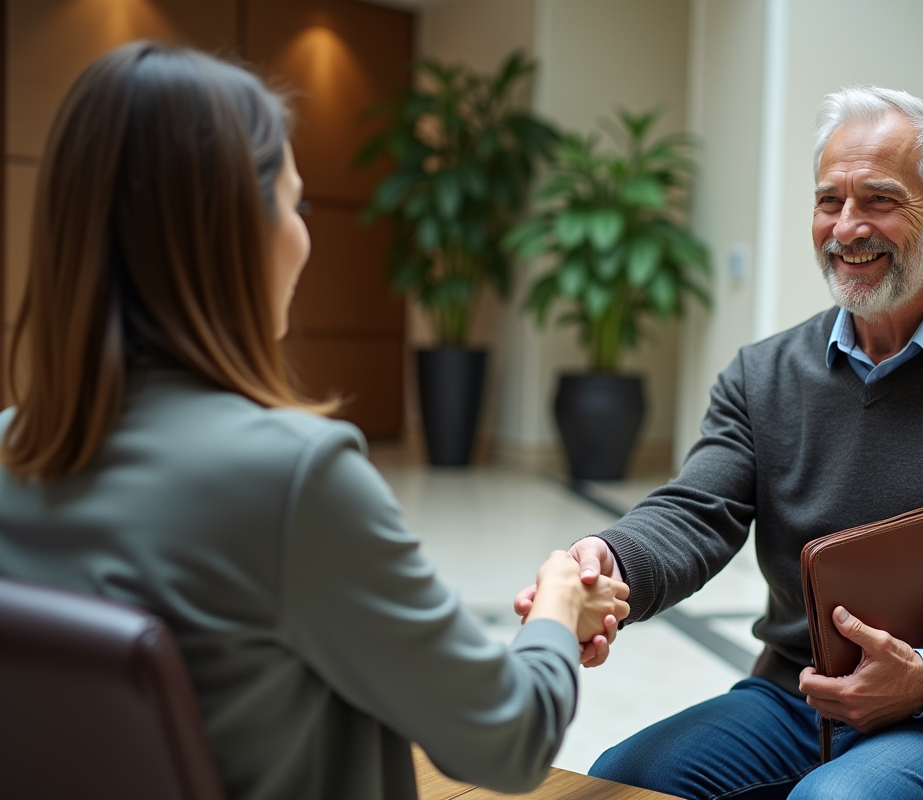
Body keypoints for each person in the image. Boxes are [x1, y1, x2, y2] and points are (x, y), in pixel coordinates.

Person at [0, 41, 629, 800]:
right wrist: (558, 609)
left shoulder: (10, 449)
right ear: (231, 230)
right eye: (294, 204)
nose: (305, 234)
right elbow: (507, 742)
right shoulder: (293, 476)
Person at [514, 86, 923, 800]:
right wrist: (608, 564)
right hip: (795, 700)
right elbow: (694, 511)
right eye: (828, 201)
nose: (846, 228)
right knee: (622, 781)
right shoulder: (762, 374)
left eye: (879, 200)